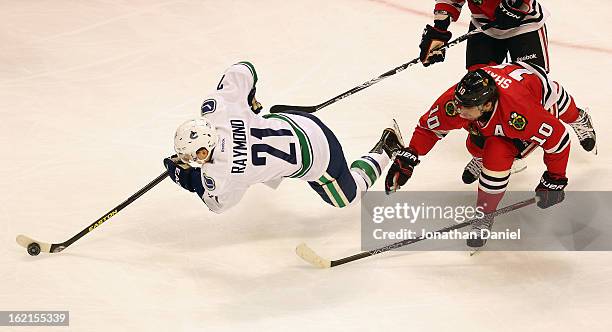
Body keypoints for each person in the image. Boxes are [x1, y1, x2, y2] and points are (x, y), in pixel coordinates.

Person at [385, 61, 596, 248]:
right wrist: (409, 156)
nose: (459, 111)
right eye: (459, 105)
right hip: (510, 82)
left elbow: (558, 139)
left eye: (466, 108)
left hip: (540, 94)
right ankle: (482, 159)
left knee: (498, 152)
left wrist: (554, 179)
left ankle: (484, 214)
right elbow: (429, 128)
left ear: (487, 104)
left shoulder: (521, 112)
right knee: (476, 144)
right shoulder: (459, 101)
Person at [163, 62, 404, 213]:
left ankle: (386, 148)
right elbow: (243, 69)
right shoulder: (217, 110)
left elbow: (217, 204)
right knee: (266, 124)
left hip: (321, 156)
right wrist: (248, 100)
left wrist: (187, 179)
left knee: (346, 198)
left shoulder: (218, 173)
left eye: (193, 157)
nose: (194, 161)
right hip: (298, 120)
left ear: (204, 152)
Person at [419, 0, 551, 72]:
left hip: (524, 25)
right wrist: (439, 28)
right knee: (477, 84)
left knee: (532, 85)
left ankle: (569, 118)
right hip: (484, 26)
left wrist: (517, 3)